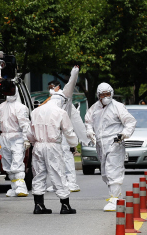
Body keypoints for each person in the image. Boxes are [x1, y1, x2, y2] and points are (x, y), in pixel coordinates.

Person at [85, 83, 137, 211]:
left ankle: (115, 199)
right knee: (105, 173)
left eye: (107, 94)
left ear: (111, 93)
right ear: (98, 95)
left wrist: (124, 134)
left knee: (113, 169)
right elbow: (88, 121)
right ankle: (116, 196)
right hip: (100, 144)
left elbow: (130, 122)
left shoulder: (118, 107)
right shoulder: (94, 108)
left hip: (115, 142)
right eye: (103, 95)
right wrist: (90, 131)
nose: (105, 97)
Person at [27, 94, 79, 214]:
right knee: (58, 173)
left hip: (38, 145)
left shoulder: (35, 111)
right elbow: (68, 131)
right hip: (53, 146)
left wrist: (35, 142)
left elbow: (29, 133)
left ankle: (38, 205)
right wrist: (73, 145)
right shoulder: (60, 112)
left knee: (38, 174)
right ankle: (65, 205)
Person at [0, 91, 31, 197]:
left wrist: (26, 139)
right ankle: (14, 187)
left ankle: (21, 187)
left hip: (17, 137)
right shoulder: (1, 106)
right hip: (4, 137)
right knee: (7, 164)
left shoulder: (21, 107)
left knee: (17, 162)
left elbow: (25, 124)